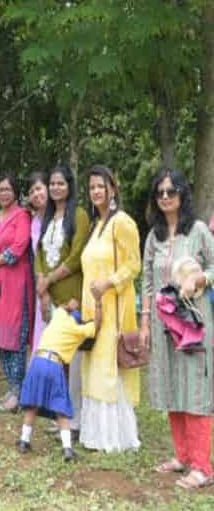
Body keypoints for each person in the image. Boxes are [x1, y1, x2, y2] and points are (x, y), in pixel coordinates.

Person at [141, 168, 214, 487]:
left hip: (193, 322)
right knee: (172, 383)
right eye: (160, 193)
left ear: (183, 194)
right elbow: (146, 281)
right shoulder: (153, 236)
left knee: (195, 387)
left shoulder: (198, 231)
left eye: (171, 191)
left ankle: (202, 467)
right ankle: (182, 455)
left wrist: (200, 279)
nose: (165, 197)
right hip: (162, 325)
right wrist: (144, 322)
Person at [79, 166, 142, 453]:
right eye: (92, 187)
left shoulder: (122, 222)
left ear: (112, 189)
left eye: (100, 186)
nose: (96, 192)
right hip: (94, 309)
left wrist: (109, 282)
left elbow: (133, 264)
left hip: (115, 307)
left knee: (108, 368)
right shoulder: (96, 225)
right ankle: (95, 434)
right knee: (94, 368)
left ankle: (115, 436)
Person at [35, 166, 91, 431]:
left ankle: (76, 419)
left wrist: (49, 280)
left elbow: (77, 256)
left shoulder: (79, 215)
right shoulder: (48, 217)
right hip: (52, 298)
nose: (56, 188)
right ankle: (61, 417)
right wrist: (43, 290)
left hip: (72, 298)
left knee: (75, 361)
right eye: (52, 183)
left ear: (70, 186)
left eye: (61, 183)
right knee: (56, 359)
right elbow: (39, 255)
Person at [17, 296, 97, 462]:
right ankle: (67, 449)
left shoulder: (59, 316)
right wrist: (99, 304)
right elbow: (97, 325)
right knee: (61, 407)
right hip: (54, 364)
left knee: (32, 404)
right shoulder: (78, 331)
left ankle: (24, 441)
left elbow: (62, 306)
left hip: (38, 361)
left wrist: (70, 306)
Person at [0, 174, 33, 413]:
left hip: (15, 283)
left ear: (16, 192)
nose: (3, 194)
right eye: (0, 190)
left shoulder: (22, 216)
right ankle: (12, 387)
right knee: (0, 335)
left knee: (15, 336)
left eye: (8, 189)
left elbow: (18, 248)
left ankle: (19, 392)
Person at [26, 172, 49, 349]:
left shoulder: (58, 218)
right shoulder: (33, 222)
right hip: (40, 285)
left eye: (39, 188)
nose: (36, 194)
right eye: (32, 191)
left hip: (58, 285)